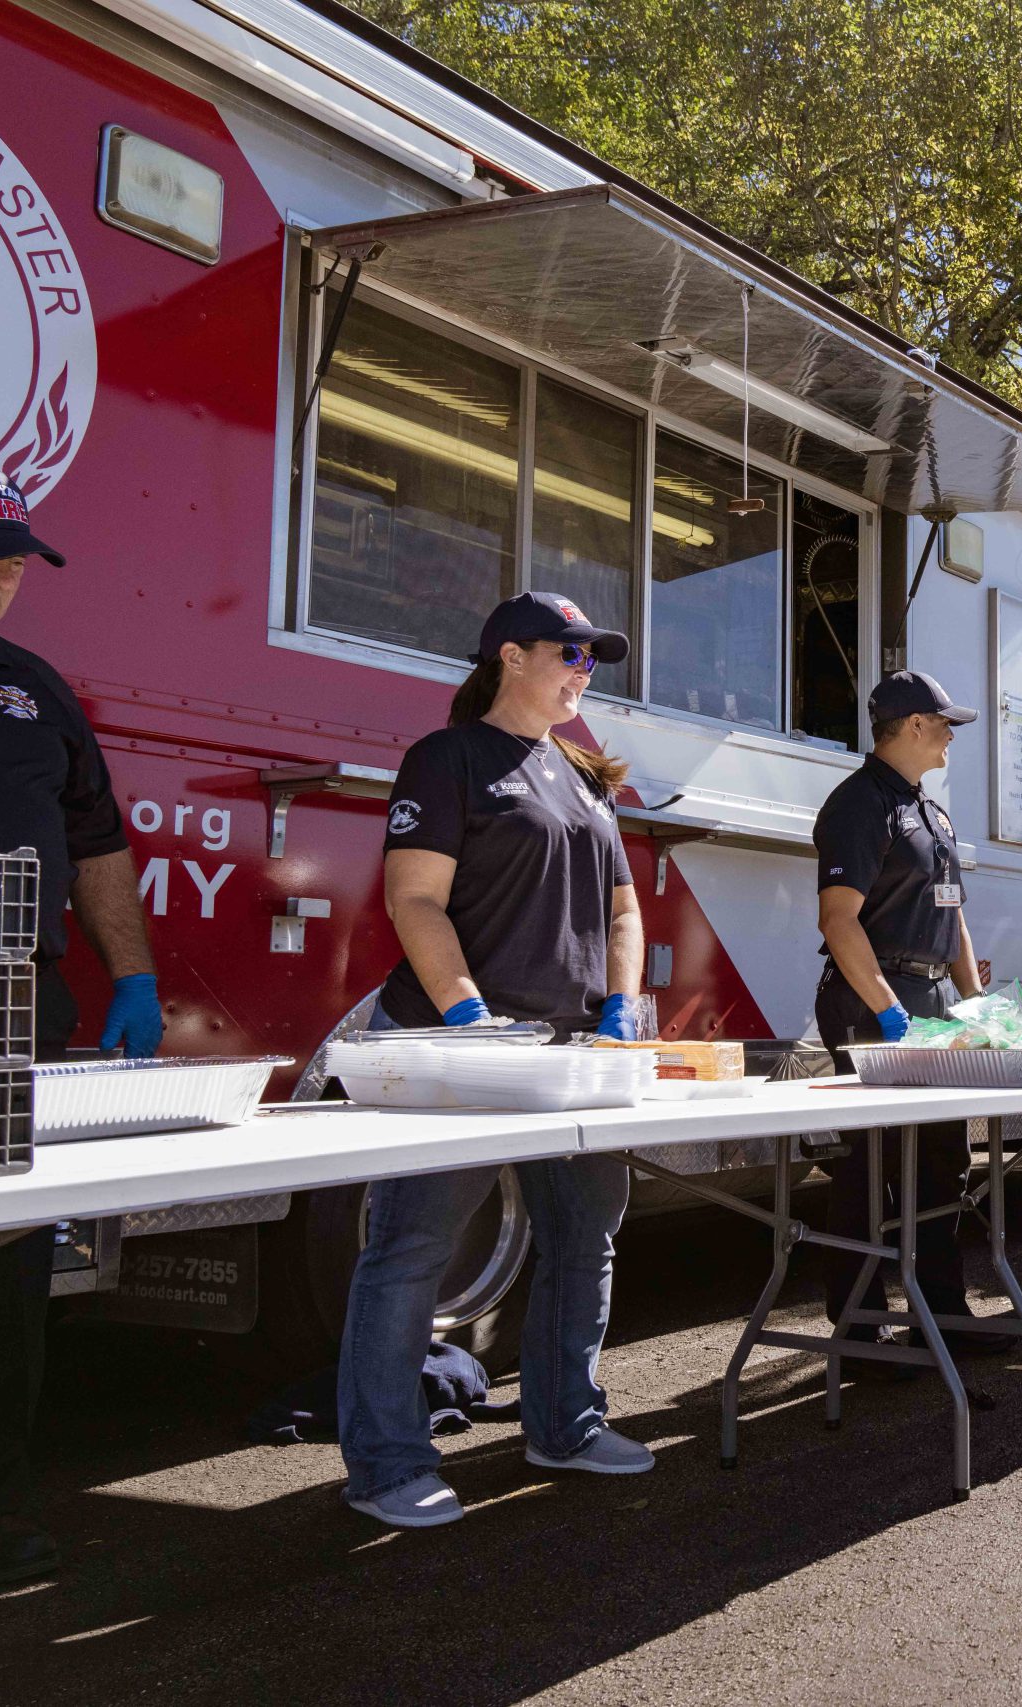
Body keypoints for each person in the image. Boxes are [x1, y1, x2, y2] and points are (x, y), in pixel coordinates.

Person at [338, 592, 652, 1529]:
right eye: (570, 651)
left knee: (584, 1236)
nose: (583, 669)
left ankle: (565, 1424)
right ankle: (388, 1464)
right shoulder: (448, 759)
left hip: (567, 1052)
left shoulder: (586, 773)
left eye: (593, 657)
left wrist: (621, 1007)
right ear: (510, 656)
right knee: (411, 1251)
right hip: (457, 1049)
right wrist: (470, 1016)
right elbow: (415, 900)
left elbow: (625, 910)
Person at [0, 455, 163, 1583]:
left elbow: (96, 842)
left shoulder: (34, 688)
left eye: (16, 557)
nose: (3, 573)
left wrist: (131, 978)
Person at [810, 670, 1010, 1366]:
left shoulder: (933, 813)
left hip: (930, 1001)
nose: (953, 734)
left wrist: (976, 1008)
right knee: (869, 1165)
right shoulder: (858, 804)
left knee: (941, 1157)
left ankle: (944, 1313)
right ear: (914, 724)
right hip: (872, 998)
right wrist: (891, 1014)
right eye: (946, 722)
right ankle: (859, 1330)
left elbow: (954, 918)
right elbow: (839, 922)